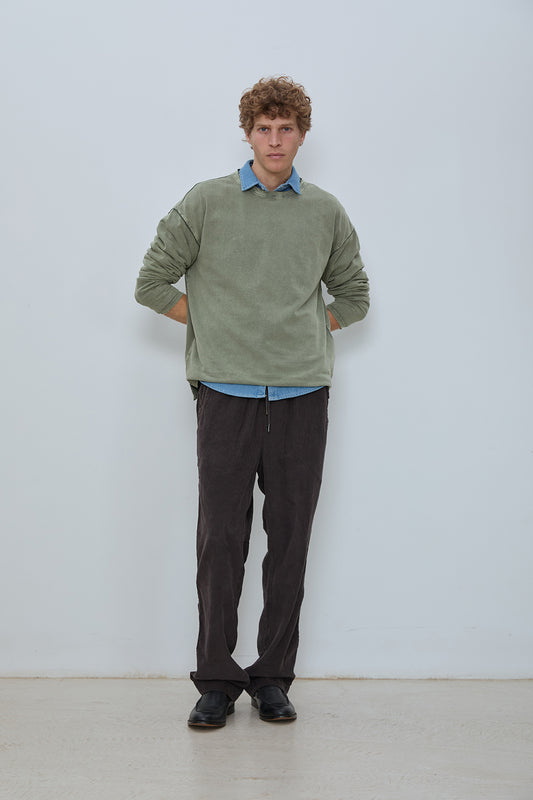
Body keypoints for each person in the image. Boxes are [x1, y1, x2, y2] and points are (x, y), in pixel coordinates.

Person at [135, 76, 369, 728]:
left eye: (285, 128)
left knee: (289, 541)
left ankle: (272, 678)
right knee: (221, 540)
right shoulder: (206, 202)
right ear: (247, 134)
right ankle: (215, 679)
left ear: (301, 135)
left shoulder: (324, 212)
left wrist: (308, 330)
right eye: (263, 128)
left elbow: (353, 295)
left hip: (302, 396)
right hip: (225, 394)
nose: (274, 140)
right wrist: (213, 326)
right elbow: (152, 282)